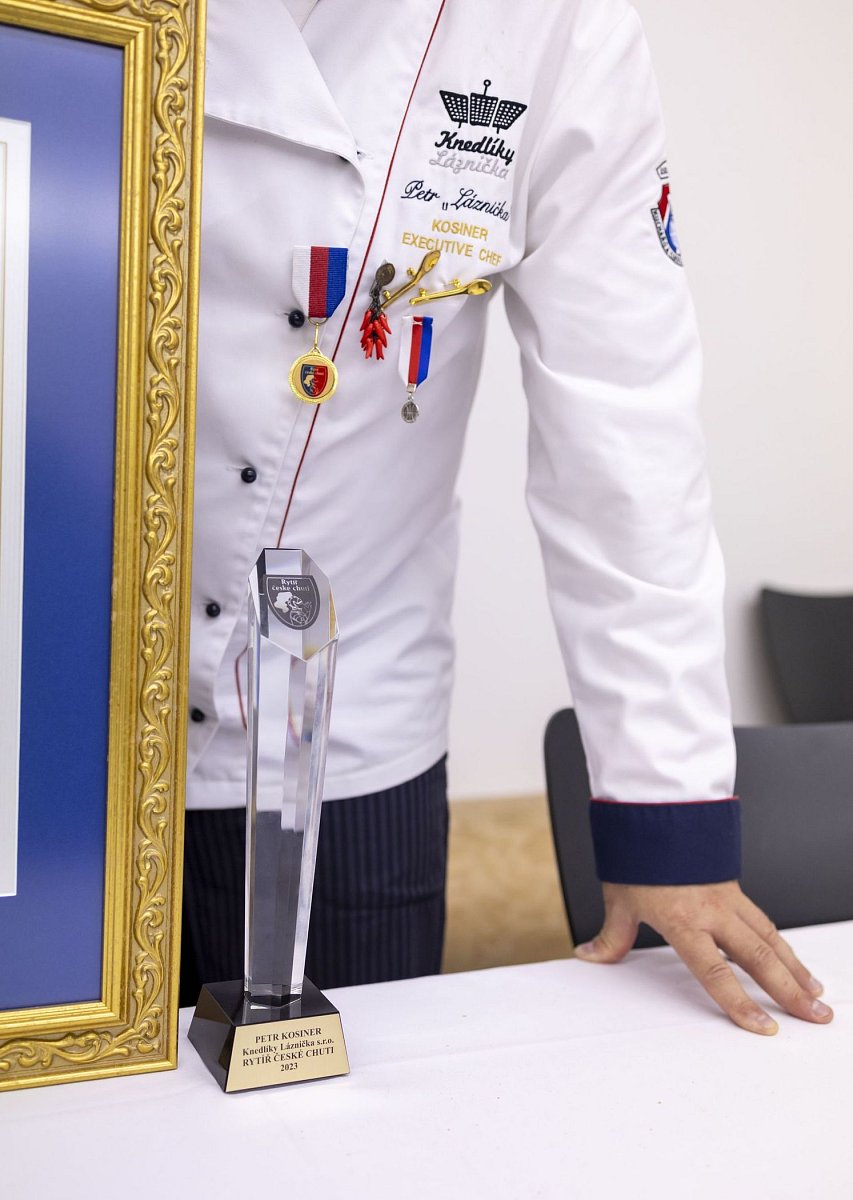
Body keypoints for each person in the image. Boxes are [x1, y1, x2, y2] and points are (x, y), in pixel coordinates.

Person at [181, 0, 833, 1034]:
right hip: (44, 717)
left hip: (348, 740)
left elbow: (624, 424)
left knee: (338, 1126)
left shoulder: (555, 25)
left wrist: (667, 820)